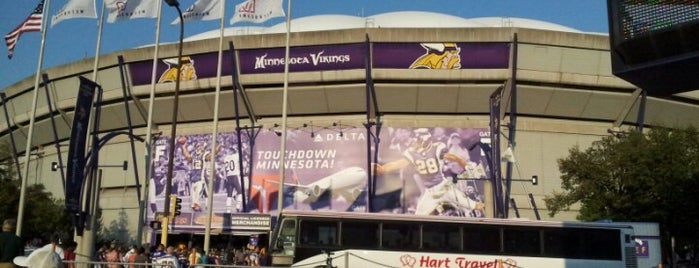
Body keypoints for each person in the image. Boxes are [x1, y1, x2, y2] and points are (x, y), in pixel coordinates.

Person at [374, 128, 477, 216]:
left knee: (461, 202)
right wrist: (383, 169)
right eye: (417, 139)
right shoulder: (412, 152)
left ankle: (469, 213)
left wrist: (465, 165)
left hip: (441, 184)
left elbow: (453, 158)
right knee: (420, 213)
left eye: (419, 139)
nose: (417, 142)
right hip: (426, 185)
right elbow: (398, 164)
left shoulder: (437, 148)